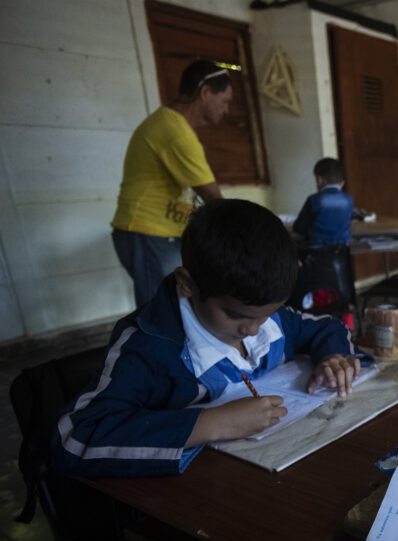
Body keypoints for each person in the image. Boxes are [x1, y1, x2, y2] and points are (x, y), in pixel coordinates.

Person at [56, 199, 369, 478]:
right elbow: (77, 437)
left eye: (265, 315)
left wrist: (332, 357)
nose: (254, 330)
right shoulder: (148, 348)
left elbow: (327, 328)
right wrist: (212, 424)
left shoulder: (266, 317)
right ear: (188, 284)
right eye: (236, 316)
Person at [111, 59, 233, 308]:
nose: (227, 109)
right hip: (148, 231)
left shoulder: (170, 124)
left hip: (159, 232)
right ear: (205, 92)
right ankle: (155, 348)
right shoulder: (174, 130)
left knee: (176, 305)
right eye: (225, 101)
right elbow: (213, 197)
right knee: (161, 309)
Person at [292, 157, 355, 248]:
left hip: (316, 253)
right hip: (341, 255)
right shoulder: (349, 199)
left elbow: (298, 228)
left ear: (319, 179)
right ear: (342, 182)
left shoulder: (314, 199)